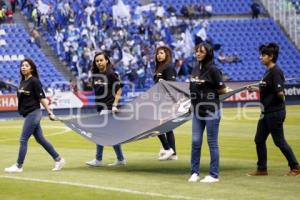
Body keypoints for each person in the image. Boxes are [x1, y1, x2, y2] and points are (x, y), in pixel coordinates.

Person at [247, 43, 300, 176]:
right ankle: (262, 169)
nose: (260, 58)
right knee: (259, 139)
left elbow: (280, 92)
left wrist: (280, 99)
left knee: (279, 141)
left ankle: (295, 167)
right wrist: (253, 89)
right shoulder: (268, 72)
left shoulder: (276, 71)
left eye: (263, 55)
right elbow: (267, 88)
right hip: (265, 112)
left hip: (274, 113)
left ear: (270, 57)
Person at [4, 58, 65, 173]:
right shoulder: (23, 82)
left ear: (31, 68)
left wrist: (50, 112)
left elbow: (42, 98)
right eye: (22, 65)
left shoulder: (34, 81)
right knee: (40, 139)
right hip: (28, 114)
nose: (23, 67)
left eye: (26, 65)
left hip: (34, 113)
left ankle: (18, 166)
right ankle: (59, 159)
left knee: (23, 139)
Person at [188, 43, 229, 183]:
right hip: (197, 111)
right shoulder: (194, 69)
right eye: (196, 51)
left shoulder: (213, 70)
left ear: (208, 54)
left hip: (211, 110)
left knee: (212, 142)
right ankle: (194, 173)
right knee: (195, 142)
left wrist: (206, 88)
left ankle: (213, 175)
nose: (198, 54)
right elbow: (191, 88)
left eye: (201, 52)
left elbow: (223, 90)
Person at [85, 52, 126, 167]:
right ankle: (120, 158)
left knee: (100, 132)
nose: (99, 63)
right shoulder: (95, 75)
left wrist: (115, 105)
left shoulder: (111, 74)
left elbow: (119, 90)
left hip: (108, 107)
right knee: (110, 134)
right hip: (100, 107)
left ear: (106, 61)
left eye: (101, 60)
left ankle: (98, 159)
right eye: (97, 61)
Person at [153, 46, 177, 161]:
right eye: (158, 53)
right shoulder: (159, 67)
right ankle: (173, 154)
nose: (159, 55)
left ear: (167, 54)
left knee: (156, 125)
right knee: (168, 128)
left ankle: (168, 149)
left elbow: (172, 85)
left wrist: (165, 83)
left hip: (166, 102)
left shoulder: (169, 67)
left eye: (161, 53)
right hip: (159, 101)